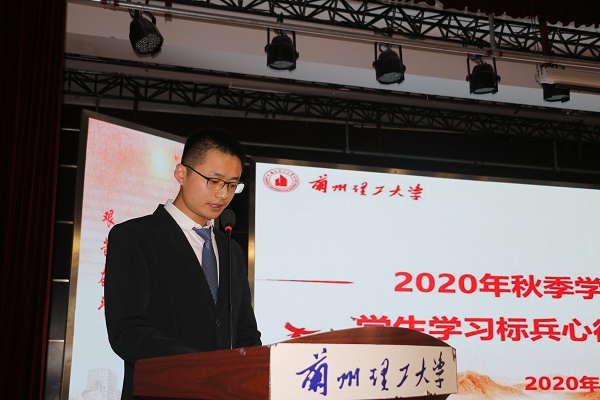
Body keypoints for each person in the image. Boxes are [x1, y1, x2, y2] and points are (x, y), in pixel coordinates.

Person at [104, 128, 262, 400]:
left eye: (232, 185)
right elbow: (127, 331)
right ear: (181, 173)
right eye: (214, 181)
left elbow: (244, 330)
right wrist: (203, 367)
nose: (223, 195)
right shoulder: (134, 237)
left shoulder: (231, 249)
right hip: (162, 391)